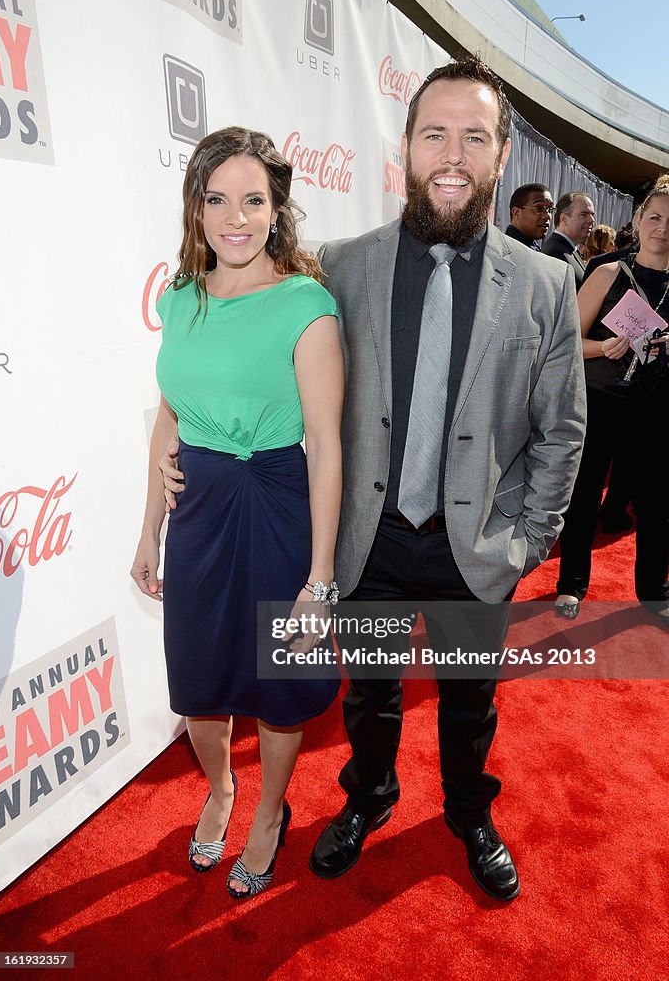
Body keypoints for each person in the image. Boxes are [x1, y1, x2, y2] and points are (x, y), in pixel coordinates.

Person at [161, 58, 586, 902]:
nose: (453, 154)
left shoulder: (544, 283)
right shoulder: (340, 268)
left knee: (470, 703)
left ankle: (469, 813)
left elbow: (562, 429)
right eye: (436, 134)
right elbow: (241, 323)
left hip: (478, 549)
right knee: (371, 696)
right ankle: (368, 799)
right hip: (371, 541)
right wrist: (183, 440)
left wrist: (529, 541)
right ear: (405, 151)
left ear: (502, 155)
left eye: (475, 136)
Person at [130, 127, 344, 899]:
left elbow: (324, 444)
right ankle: (220, 788)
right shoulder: (180, 298)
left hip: (279, 508)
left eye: (254, 199)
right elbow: (169, 418)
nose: (236, 217)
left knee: (278, 682)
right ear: (197, 208)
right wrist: (150, 527)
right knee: (200, 679)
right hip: (200, 511)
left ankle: (269, 810)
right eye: (217, 198)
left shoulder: (305, 304)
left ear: (278, 208)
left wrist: (319, 580)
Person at [555, 183, 669, 624]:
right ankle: (571, 586)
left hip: (658, 409)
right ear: (638, 221)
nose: (662, 228)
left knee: (657, 505)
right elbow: (566, 341)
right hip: (601, 403)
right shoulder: (606, 273)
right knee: (584, 497)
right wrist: (605, 348)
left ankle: (654, 594)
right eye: (654, 217)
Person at [543, 191, 596, 290]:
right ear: (564, 218)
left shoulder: (568, 249)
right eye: (584, 214)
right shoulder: (556, 253)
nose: (591, 220)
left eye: (592, 215)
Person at [504, 183, 554, 249]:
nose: (547, 216)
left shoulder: (530, 245)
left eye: (550, 209)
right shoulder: (509, 250)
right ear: (516, 213)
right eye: (539, 208)